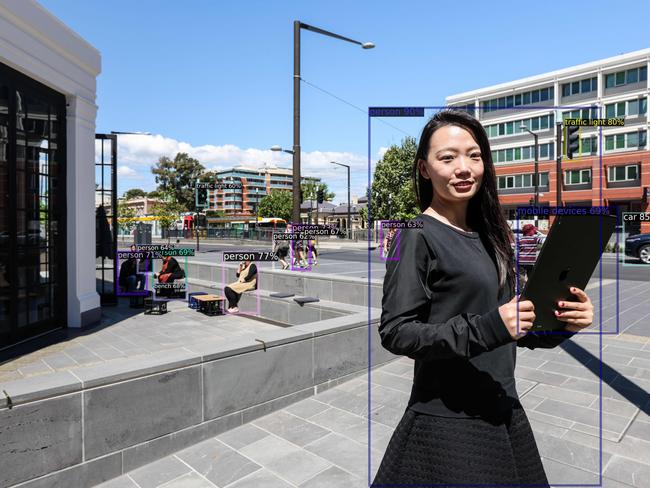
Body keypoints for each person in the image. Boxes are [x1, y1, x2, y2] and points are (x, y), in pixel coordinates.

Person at [372, 110, 594, 486]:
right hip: (448, 419)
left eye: (474, 156)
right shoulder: (412, 234)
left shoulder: (492, 237)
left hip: (502, 406)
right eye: (448, 157)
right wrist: (491, 326)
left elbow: (515, 325)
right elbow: (396, 331)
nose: (464, 168)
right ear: (425, 169)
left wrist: (562, 323)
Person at [517, 223, 545, 288]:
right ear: (530, 231)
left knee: (521, 278)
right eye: (533, 230)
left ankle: (520, 291)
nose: (534, 231)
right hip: (530, 262)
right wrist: (538, 233)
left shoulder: (520, 239)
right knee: (531, 278)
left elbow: (517, 250)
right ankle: (530, 289)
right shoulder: (534, 239)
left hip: (521, 262)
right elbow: (544, 240)